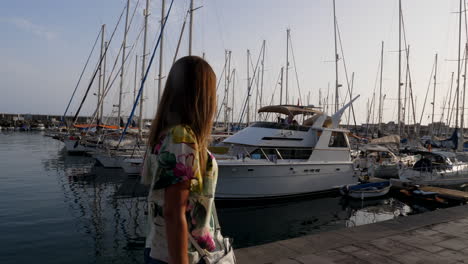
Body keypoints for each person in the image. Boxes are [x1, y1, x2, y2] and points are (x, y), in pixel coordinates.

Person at [141, 56, 218, 264]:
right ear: (202, 96)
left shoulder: (163, 135)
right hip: (180, 256)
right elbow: (174, 212)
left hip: (162, 249)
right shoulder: (181, 137)